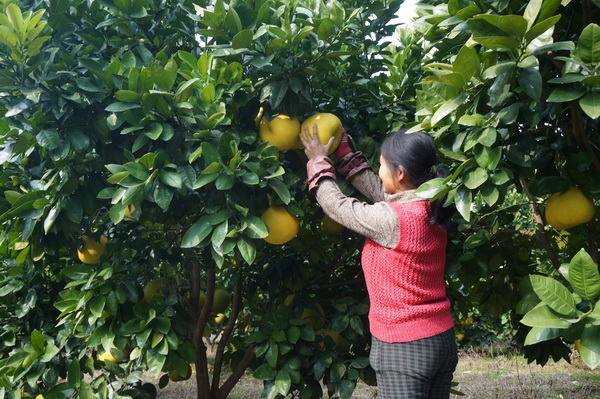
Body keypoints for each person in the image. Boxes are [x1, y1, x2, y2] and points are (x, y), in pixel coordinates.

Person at [299, 124, 457, 399]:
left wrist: (317, 162)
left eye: (382, 165)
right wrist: (346, 154)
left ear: (400, 173)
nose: (379, 170)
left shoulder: (393, 220)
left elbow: (338, 206)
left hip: (405, 347)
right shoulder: (432, 206)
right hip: (440, 339)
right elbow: (384, 195)